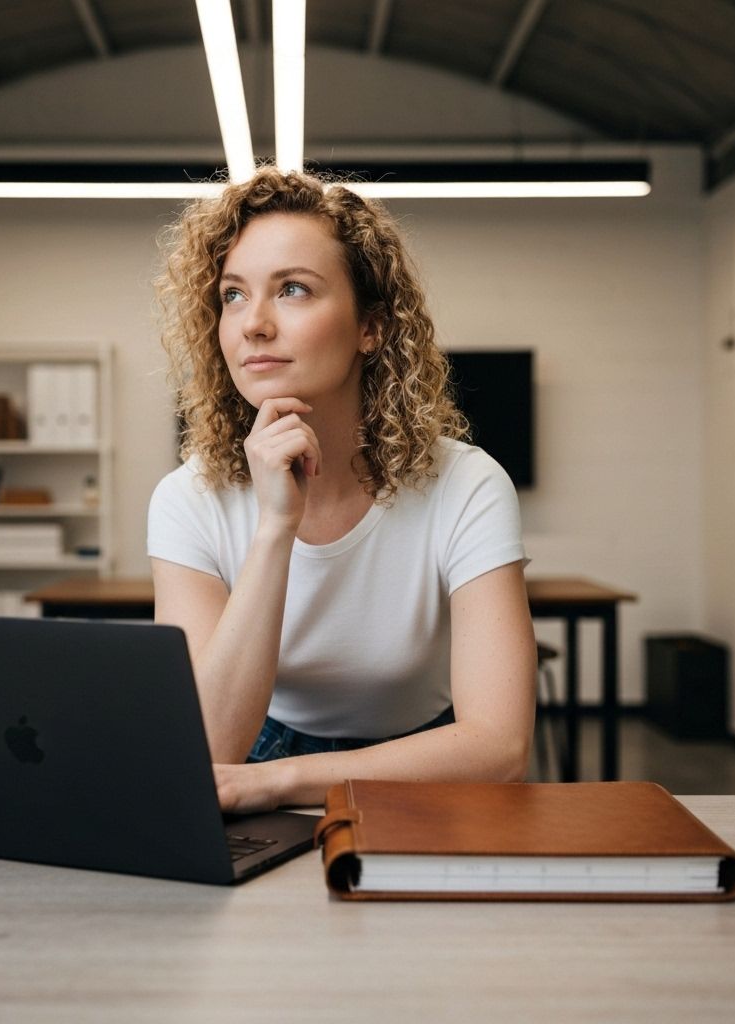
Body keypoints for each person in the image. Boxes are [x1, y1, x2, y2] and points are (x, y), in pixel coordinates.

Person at [148, 167, 536, 813]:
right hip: (250, 756)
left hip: (425, 761)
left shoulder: (468, 485)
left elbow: (499, 747)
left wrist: (283, 781)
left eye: (293, 289)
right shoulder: (189, 497)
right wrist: (275, 527)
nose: (254, 325)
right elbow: (208, 745)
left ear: (371, 328)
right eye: (234, 295)